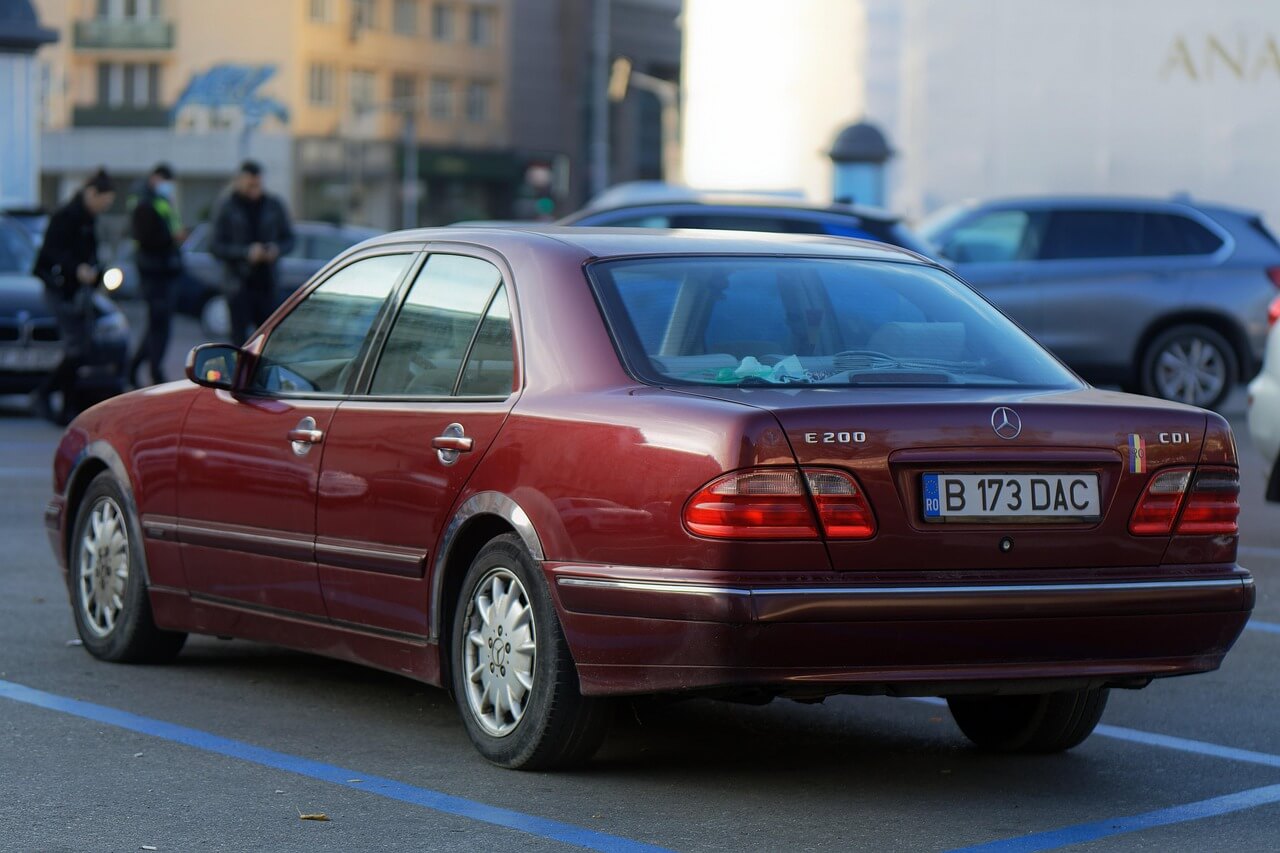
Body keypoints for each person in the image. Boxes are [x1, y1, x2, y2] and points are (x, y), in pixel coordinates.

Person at [32, 168, 116, 424]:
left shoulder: (89, 220)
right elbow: (49, 255)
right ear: (91, 193)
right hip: (60, 289)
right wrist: (75, 268)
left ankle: (66, 404)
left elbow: (92, 255)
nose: (104, 207)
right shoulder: (66, 216)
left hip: (79, 292)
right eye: (103, 201)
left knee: (82, 347)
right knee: (76, 346)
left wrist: (96, 272)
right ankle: (47, 396)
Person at [211, 160, 295, 343]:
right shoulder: (227, 206)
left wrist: (276, 249)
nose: (254, 189)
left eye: (257, 184)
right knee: (239, 342)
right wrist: (246, 253)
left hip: (267, 285)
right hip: (238, 286)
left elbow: (289, 239)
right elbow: (215, 246)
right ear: (239, 181)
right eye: (250, 184)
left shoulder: (273, 205)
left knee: (267, 341)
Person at [128, 163, 185, 386]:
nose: (168, 187)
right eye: (165, 181)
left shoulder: (160, 202)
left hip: (164, 270)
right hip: (155, 272)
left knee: (157, 325)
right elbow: (148, 238)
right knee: (159, 326)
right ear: (155, 179)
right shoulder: (144, 203)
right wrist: (173, 238)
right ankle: (154, 371)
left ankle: (137, 368)